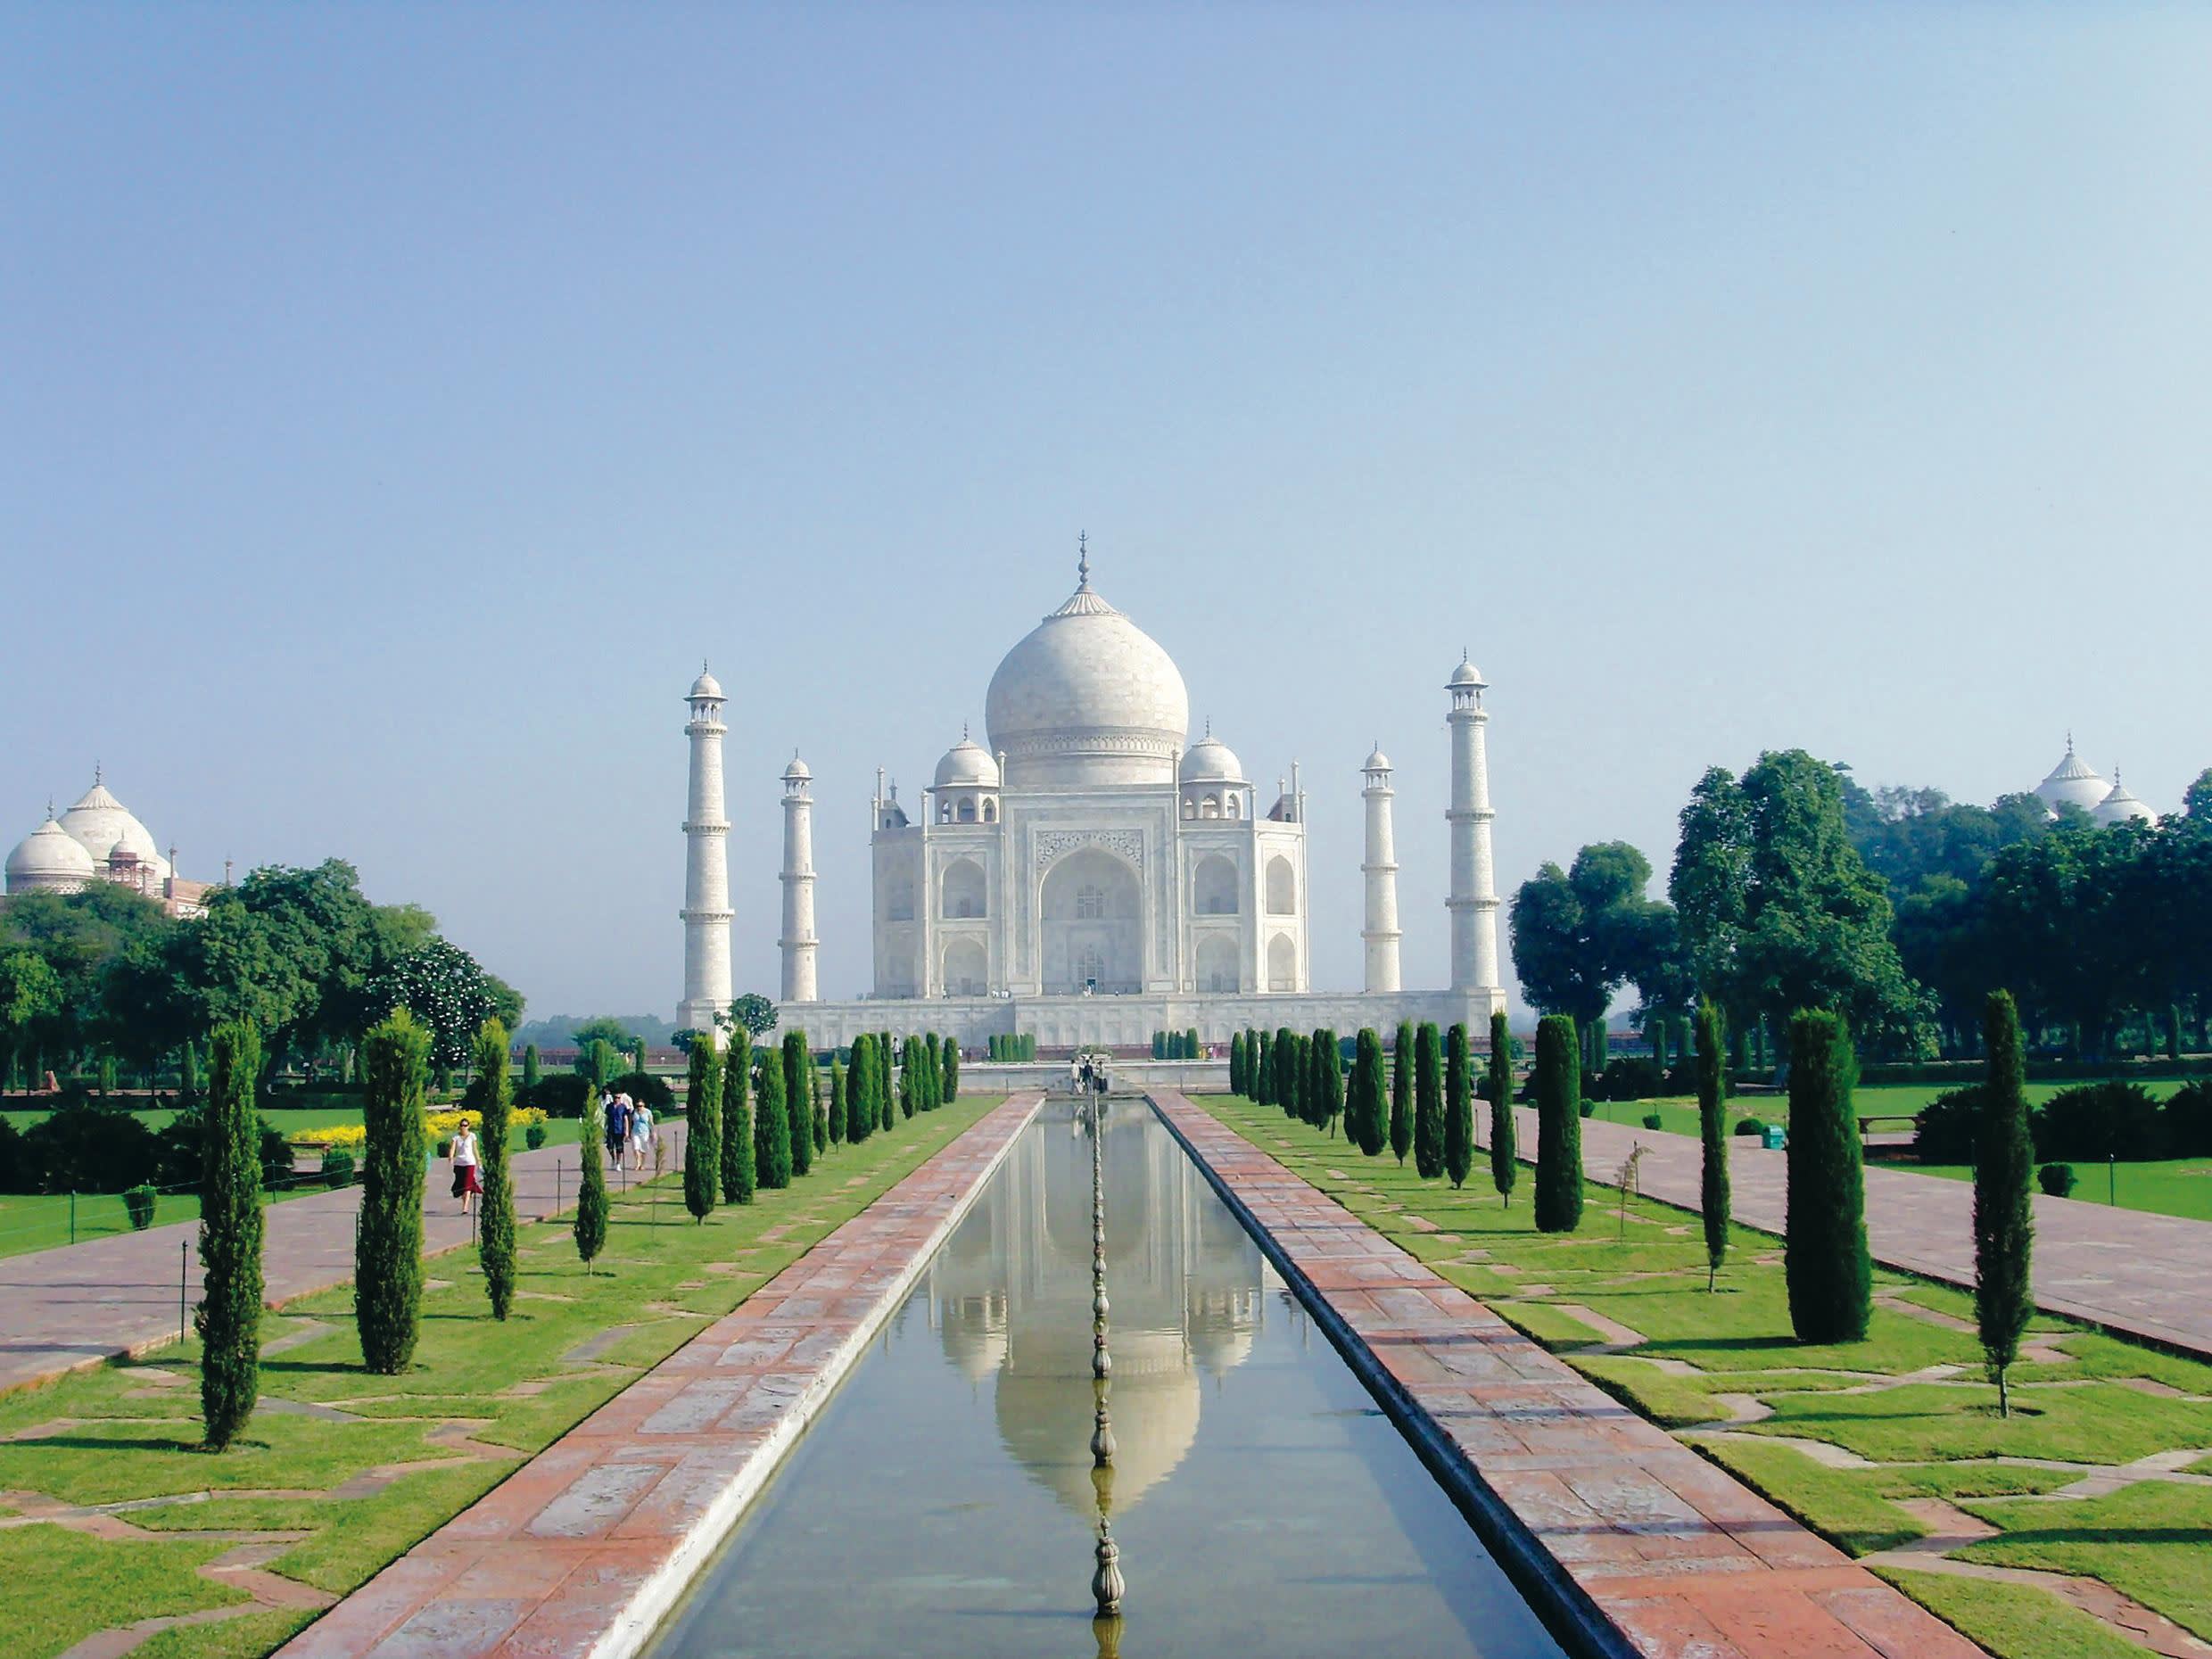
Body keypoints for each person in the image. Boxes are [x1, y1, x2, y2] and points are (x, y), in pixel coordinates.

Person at [450, 1116, 482, 1216]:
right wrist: (450, 1157)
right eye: (462, 1125)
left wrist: (478, 1160)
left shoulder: (472, 1136)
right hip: (459, 1164)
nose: (463, 1127)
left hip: (469, 1163)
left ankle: (465, 1208)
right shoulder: (456, 1137)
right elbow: (452, 1148)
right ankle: (467, 1196)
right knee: (462, 1186)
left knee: (467, 1185)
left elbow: (475, 1149)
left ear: (469, 1126)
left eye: (465, 1125)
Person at [607, 1092, 631, 1163]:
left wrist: (627, 1131)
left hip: (620, 1130)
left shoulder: (623, 1107)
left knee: (619, 1147)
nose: (616, 1099)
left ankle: (618, 1163)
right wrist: (604, 1128)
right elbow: (607, 1118)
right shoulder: (609, 1106)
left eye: (618, 1098)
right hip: (611, 1129)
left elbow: (625, 1119)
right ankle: (613, 1158)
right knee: (610, 1146)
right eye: (615, 1098)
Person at [631, 1099, 655, 1170]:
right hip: (635, 1132)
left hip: (645, 1132)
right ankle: (638, 1163)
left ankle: (642, 1164)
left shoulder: (648, 1112)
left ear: (643, 1105)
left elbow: (651, 1122)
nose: (639, 1107)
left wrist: (652, 1132)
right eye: (638, 1106)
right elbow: (631, 1121)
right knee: (635, 1148)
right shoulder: (634, 1112)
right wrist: (628, 1131)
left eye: (640, 1106)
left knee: (644, 1149)